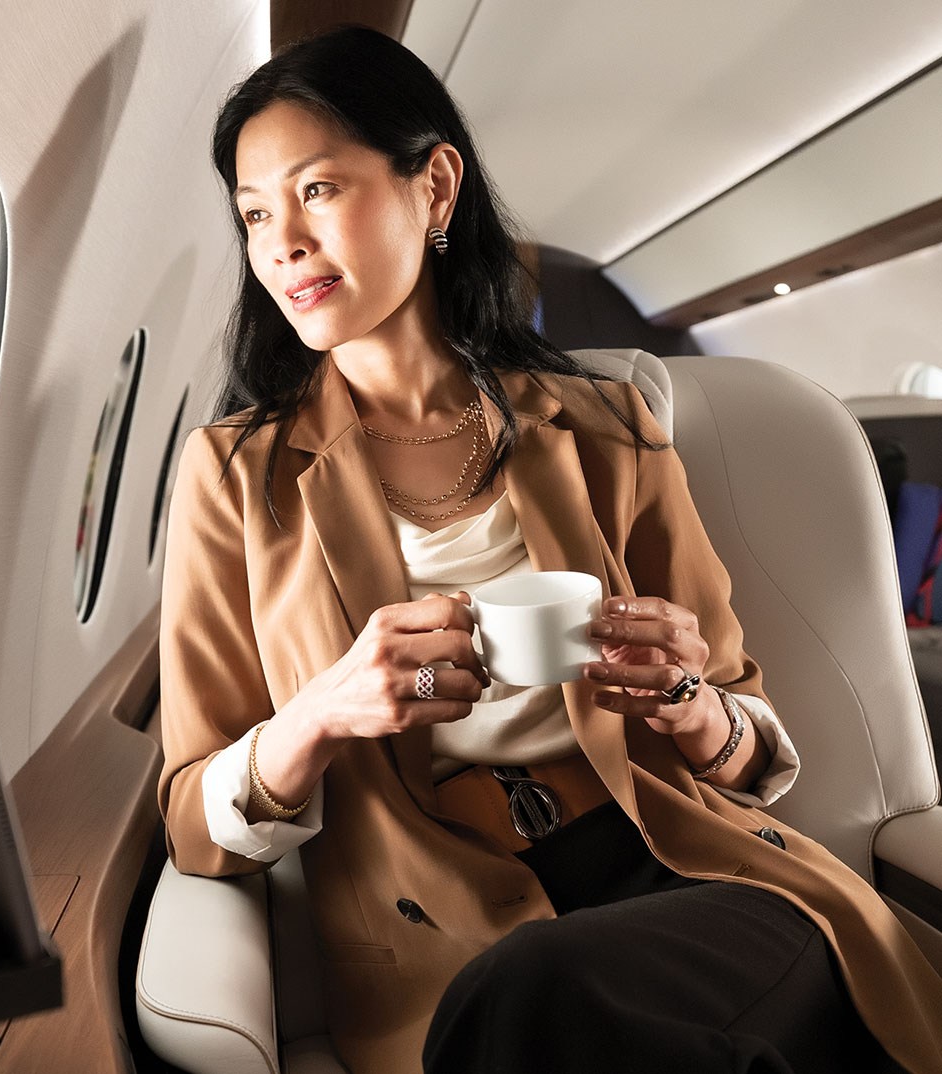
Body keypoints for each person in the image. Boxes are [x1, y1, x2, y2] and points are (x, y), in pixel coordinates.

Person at [157, 25, 942, 1074]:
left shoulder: (610, 429)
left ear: (435, 188)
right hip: (448, 933)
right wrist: (322, 710)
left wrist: (687, 702)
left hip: (694, 875)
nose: (281, 243)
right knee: (536, 996)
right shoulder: (234, 477)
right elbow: (192, 819)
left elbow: (752, 750)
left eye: (316, 191)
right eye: (254, 214)